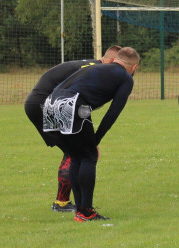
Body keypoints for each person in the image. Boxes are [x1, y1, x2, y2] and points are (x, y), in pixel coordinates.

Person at [41, 47, 140, 222]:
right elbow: (113, 113)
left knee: (76, 156)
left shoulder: (95, 67)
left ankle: (81, 210)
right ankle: (86, 212)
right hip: (72, 104)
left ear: (116, 59)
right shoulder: (125, 78)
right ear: (134, 67)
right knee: (89, 156)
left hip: (50, 103)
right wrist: (96, 139)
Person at [24, 45, 120, 212]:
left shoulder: (91, 66)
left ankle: (66, 202)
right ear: (112, 61)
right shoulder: (96, 71)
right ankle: (64, 203)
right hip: (46, 104)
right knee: (78, 152)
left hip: (40, 103)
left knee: (75, 151)